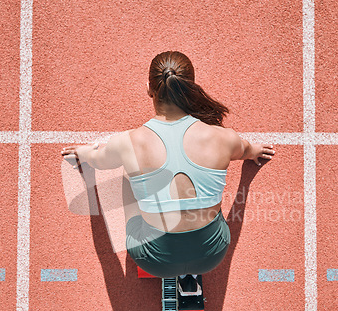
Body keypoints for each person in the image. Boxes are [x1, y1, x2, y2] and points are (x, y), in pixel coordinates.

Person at [61, 51, 275, 290]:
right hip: (211, 256)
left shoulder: (127, 143)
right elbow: (245, 150)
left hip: (154, 262)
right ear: (190, 86)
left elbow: (99, 161)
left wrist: (82, 153)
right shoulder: (224, 138)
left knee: (127, 174)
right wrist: (255, 151)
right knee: (206, 188)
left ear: (149, 89)